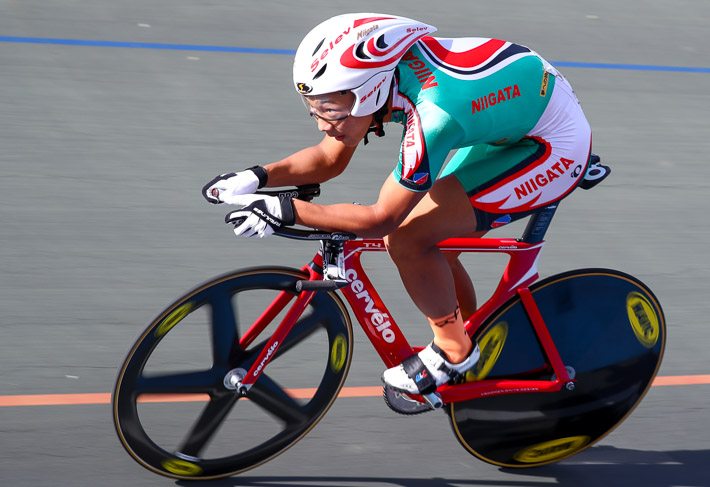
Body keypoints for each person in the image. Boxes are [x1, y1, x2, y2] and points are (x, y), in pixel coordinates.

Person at [202, 13, 592, 397]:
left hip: (552, 145)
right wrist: (257, 177)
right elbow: (328, 159)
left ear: (369, 91)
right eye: (314, 105)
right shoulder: (379, 81)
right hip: (504, 115)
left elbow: (382, 219)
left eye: (330, 109)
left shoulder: (434, 116)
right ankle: (476, 339)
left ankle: (455, 353)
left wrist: (285, 209)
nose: (322, 122)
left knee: (408, 239)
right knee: (435, 245)